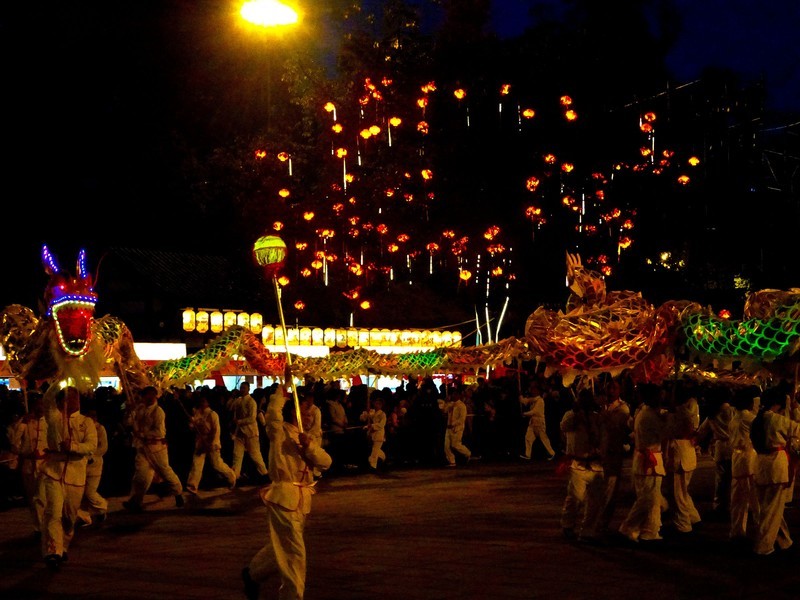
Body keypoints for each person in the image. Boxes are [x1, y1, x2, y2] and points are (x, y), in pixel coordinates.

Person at [242, 368, 332, 600]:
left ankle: (252, 573)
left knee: (282, 546)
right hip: (283, 495)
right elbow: (273, 412)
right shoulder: (279, 432)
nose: (309, 412)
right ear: (294, 411)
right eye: (304, 408)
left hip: (302, 501)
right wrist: (285, 385)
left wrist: (308, 447)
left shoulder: (307, 438)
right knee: (294, 553)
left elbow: (326, 462)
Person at [39, 386, 97, 570]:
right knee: (53, 512)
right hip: (54, 471)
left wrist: (72, 446)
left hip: (75, 473)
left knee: (69, 517)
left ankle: (63, 545)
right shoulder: (54, 417)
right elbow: (47, 399)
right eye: (68, 398)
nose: (73, 401)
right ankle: (52, 552)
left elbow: (91, 445)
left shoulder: (86, 422)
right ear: (60, 401)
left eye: (75, 398)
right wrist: (61, 374)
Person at [751, 386, 800, 555]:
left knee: (771, 507)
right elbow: (797, 430)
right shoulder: (776, 420)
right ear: (777, 403)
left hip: (760, 464)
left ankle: (785, 541)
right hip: (775, 465)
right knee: (771, 509)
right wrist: (796, 411)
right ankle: (763, 547)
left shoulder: (757, 419)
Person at [618, 382, 668, 544]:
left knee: (652, 498)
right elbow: (668, 432)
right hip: (649, 460)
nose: (663, 397)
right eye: (660, 394)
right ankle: (629, 526)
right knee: (647, 499)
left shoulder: (648, 412)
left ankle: (650, 530)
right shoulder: (650, 415)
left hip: (648, 459)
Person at [123, 385, 184, 512]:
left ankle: (178, 492)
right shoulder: (139, 408)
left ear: (155, 396)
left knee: (165, 471)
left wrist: (143, 434)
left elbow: (160, 432)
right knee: (141, 475)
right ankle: (135, 501)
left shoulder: (158, 412)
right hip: (142, 447)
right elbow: (129, 423)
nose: (148, 397)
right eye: (146, 395)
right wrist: (128, 412)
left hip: (157, 448)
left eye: (151, 395)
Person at [559, 387, 605, 543]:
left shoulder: (597, 418)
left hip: (595, 464)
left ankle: (587, 530)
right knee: (575, 498)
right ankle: (568, 525)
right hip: (578, 464)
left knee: (595, 502)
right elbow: (564, 427)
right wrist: (576, 415)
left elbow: (603, 436)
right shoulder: (571, 416)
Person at [8, 393, 47, 538]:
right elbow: (14, 445)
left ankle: (46, 525)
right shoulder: (24, 424)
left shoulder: (49, 422)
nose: (40, 407)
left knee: (43, 497)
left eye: (42, 404)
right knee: (33, 498)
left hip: (46, 465)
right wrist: (22, 424)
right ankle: (38, 526)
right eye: (37, 404)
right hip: (29, 465)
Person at [597, 378, 632, 535]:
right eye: (608, 387)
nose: (610, 391)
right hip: (598, 455)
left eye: (614, 388)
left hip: (612, 454)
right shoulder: (600, 406)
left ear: (619, 391)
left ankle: (602, 525)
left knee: (609, 493)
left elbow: (619, 429)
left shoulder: (623, 409)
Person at [665, 386, 701, 534]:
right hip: (687, 453)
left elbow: (680, 431)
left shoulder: (679, 413)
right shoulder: (683, 413)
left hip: (680, 454)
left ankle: (683, 525)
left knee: (678, 493)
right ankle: (693, 517)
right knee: (683, 491)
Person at [695, 385, 734, 520]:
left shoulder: (713, 412)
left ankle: (719, 507)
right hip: (735, 447)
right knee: (734, 480)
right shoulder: (733, 411)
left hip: (720, 448)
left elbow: (701, 431)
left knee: (721, 480)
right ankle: (732, 506)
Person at [186, 391, 237, 494]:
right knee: (197, 463)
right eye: (201, 401)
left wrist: (210, 443)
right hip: (200, 440)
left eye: (204, 401)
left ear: (208, 402)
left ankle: (231, 476)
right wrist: (191, 424)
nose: (202, 403)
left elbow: (215, 430)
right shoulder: (197, 413)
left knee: (216, 464)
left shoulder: (213, 414)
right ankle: (192, 485)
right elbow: (193, 428)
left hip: (211, 442)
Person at [728, 386, 760, 542]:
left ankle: (738, 530)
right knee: (753, 497)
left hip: (738, 459)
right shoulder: (749, 418)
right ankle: (762, 529)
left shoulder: (735, 418)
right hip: (748, 459)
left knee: (738, 498)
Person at [230, 381, 268, 483]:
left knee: (255, 455)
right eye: (241, 388)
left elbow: (252, 418)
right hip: (240, 433)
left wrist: (239, 421)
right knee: (237, 455)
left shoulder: (251, 402)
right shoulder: (238, 401)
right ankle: (235, 476)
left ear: (248, 389)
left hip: (251, 433)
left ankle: (264, 474)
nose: (242, 390)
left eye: (244, 388)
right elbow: (231, 409)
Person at [76, 409, 109, 526]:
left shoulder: (100, 429)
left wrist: (92, 456)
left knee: (90, 492)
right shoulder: (81, 428)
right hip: (81, 464)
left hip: (95, 465)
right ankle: (84, 517)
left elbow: (103, 447)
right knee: (80, 493)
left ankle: (101, 507)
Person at [519, 379, 556, 461]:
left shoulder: (540, 401)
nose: (532, 391)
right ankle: (527, 454)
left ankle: (552, 453)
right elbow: (524, 401)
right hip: (533, 422)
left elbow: (534, 412)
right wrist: (520, 396)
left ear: (538, 391)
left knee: (544, 439)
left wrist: (525, 414)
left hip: (539, 423)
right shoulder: (533, 400)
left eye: (534, 390)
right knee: (528, 437)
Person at [442, 389, 472, 467]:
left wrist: (453, 424)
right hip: (448, 428)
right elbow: (444, 410)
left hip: (457, 428)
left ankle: (467, 453)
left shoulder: (461, 405)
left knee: (455, 444)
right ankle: (452, 461)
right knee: (446, 446)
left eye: (455, 394)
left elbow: (462, 418)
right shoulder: (451, 404)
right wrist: (446, 402)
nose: (453, 396)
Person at [360, 394, 387, 470]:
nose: (377, 405)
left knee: (374, 452)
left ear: (381, 405)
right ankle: (383, 457)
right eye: (376, 403)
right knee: (375, 450)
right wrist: (366, 412)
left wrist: (371, 426)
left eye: (379, 404)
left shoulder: (382, 414)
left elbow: (381, 425)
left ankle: (373, 466)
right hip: (372, 434)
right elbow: (363, 418)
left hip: (379, 434)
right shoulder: (372, 412)